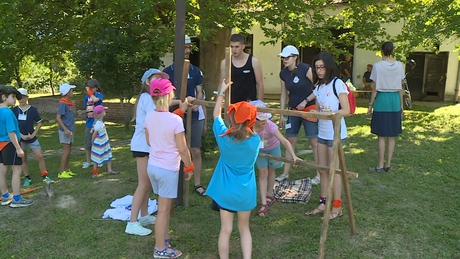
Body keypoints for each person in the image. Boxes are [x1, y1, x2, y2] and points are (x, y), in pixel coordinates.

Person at [206, 80, 260, 259]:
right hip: (246, 192)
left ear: (232, 117)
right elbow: (252, 130)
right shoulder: (255, 141)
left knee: (225, 230)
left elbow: (216, 116)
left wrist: (221, 92)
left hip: (226, 192)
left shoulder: (224, 138)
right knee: (244, 229)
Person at [145, 78, 194, 259]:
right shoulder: (175, 120)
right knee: (164, 211)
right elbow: (182, 149)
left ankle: (164, 238)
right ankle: (160, 250)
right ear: (169, 95)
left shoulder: (150, 115)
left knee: (163, 207)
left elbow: (150, 141)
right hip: (167, 170)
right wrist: (189, 166)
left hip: (153, 167)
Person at [306, 52, 350, 220]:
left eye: (322, 67)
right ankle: (323, 203)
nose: (318, 70)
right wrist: (312, 114)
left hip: (336, 133)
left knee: (334, 171)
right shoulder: (318, 87)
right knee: (323, 170)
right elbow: (318, 110)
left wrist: (331, 113)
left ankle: (337, 206)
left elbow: (346, 110)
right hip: (322, 133)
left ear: (329, 67)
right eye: (316, 67)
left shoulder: (337, 84)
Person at [125, 68, 169, 236]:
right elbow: (155, 120)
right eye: (156, 79)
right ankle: (132, 222)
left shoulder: (150, 99)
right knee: (143, 184)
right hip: (142, 146)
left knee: (147, 183)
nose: (159, 82)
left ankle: (143, 216)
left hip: (147, 146)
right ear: (147, 82)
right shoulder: (147, 99)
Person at [163, 35, 207, 197]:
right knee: (175, 149)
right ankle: (174, 182)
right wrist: (180, 104)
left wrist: (197, 102)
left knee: (195, 149)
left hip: (193, 116)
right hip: (174, 116)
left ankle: (197, 183)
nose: (188, 51)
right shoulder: (167, 73)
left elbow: (200, 92)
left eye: (189, 47)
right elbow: (164, 98)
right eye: (184, 48)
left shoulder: (195, 71)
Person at [276, 45, 320, 185]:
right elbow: (283, 94)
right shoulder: (283, 73)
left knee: (314, 142)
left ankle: (319, 173)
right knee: (290, 141)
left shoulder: (306, 69)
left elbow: (318, 88)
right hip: (293, 110)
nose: (284, 60)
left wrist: (307, 101)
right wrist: (282, 113)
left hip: (309, 108)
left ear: (295, 57)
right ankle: (285, 173)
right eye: (283, 57)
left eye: (287, 57)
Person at [250, 100, 302, 217]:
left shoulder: (271, 125)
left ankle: (269, 194)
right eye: (260, 119)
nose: (263, 121)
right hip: (260, 151)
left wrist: (293, 155)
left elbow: (284, 141)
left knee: (272, 170)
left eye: (265, 119)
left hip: (274, 148)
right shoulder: (250, 127)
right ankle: (263, 202)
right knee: (263, 173)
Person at [367, 42, 405, 172]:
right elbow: (401, 87)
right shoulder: (399, 65)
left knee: (381, 135)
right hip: (394, 100)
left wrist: (370, 105)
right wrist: (401, 105)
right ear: (392, 51)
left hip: (382, 100)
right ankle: (388, 164)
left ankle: (380, 165)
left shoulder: (377, 66)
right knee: (392, 136)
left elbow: (375, 88)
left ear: (381, 51)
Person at [0, 85, 34, 208]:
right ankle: (17, 199)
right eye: (13, 96)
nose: (15, 99)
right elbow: (11, 132)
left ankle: (5, 196)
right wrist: (18, 148)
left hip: (1, 145)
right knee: (17, 170)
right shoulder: (8, 113)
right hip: (10, 144)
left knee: (2, 170)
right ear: (4, 97)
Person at [11, 88, 53, 186]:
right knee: (23, 158)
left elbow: (39, 122)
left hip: (32, 138)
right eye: (19, 98)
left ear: (27, 98)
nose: (21, 100)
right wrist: (21, 135)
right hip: (20, 138)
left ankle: (44, 175)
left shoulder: (32, 109)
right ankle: (27, 178)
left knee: (40, 156)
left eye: (23, 97)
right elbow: (13, 125)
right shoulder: (14, 110)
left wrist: (33, 134)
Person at [219, 33, 264, 103]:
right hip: (232, 103)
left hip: (249, 103)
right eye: (232, 47)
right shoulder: (225, 62)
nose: (234, 50)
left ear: (243, 46)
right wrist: (218, 102)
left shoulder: (254, 61)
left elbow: (260, 84)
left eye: (237, 47)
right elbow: (222, 83)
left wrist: (260, 103)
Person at [77, 79, 103, 169]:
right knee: (88, 144)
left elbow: (95, 100)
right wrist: (83, 112)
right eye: (88, 88)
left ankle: (99, 161)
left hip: (97, 123)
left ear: (96, 88)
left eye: (91, 88)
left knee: (98, 143)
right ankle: (88, 161)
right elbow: (88, 109)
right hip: (89, 123)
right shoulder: (86, 97)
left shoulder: (99, 95)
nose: (89, 89)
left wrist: (90, 93)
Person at [90, 105, 119, 178]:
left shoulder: (100, 122)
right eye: (104, 111)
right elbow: (94, 134)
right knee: (97, 157)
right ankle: (95, 172)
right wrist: (92, 141)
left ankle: (109, 170)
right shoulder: (98, 124)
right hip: (99, 144)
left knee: (108, 155)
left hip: (104, 143)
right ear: (101, 113)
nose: (105, 112)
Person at [56, 83, 77, 179]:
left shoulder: (68, 103)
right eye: (71, 91)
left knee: (69, 150)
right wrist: (66, 129)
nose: (72, 92)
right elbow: (58, 118)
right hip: (65, 131)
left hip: (70, 130)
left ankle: (67, 170)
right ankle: (61, 172)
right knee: (66, 151)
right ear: (67, 92)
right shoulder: (63, 103)